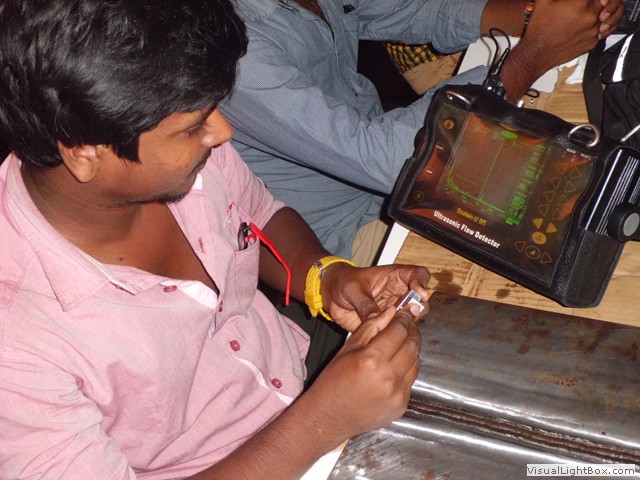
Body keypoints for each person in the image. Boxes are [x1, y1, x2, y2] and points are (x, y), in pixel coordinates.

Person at [0, 1, 431, 478]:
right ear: (85, 153)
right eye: (193, 128)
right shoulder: (15, 349)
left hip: (302, 378)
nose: (222, 133)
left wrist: (326, 279)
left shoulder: (180, 158)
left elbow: (258, 213)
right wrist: (322, 420)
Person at [220, 0, 625, 266]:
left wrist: (545, 16)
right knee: (587, 251)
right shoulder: (229, 50)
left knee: (598, 181)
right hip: (355, 233)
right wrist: (530, 56)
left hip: (402, 170)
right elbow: (391, 160)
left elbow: (414, 10)